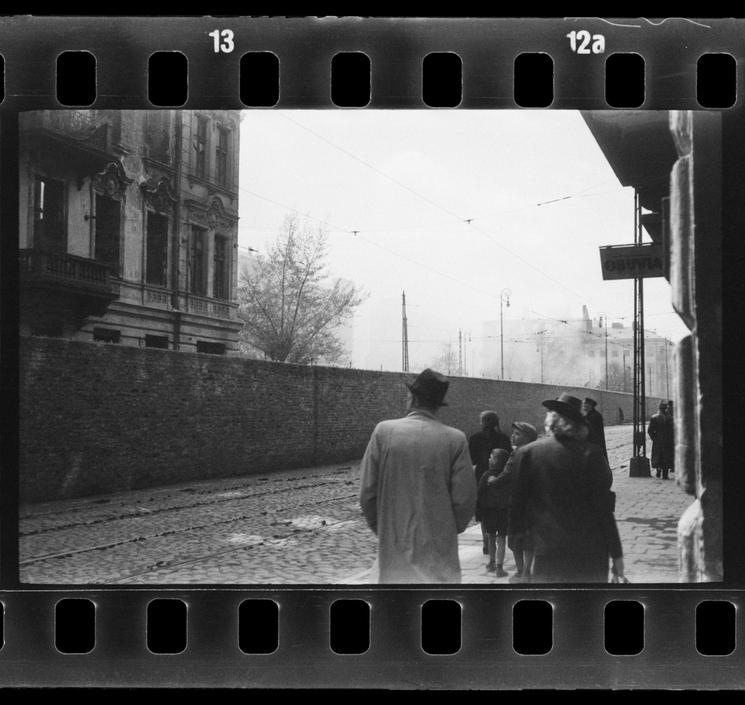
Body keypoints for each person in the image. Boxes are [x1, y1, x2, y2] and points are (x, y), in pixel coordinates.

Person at [359, 368, 477, 583]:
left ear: (412, 398)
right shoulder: (455, 439)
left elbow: (367, 493)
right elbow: (465, 500)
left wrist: (385, 530)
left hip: (392, 562)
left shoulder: (383, 432)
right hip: (438, 562)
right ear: (438, 404)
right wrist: (445, 530)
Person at [508, 392, 625, 583]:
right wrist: (617, 555)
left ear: (551, 421)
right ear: (579, 425)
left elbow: (516, 504)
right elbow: (604, 510)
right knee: (591, 610)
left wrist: (517, 547)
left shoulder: (528, 453)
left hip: (549, 552)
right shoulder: (592, 455)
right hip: (591, 553)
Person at [468, 410, 511, 554]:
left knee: (483, 506)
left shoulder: (475, 438)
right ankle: (499, 539)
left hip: (482, 476)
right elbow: (508, 457)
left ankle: (486, 541)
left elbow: (472, 460)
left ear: (483, 422)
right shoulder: (504, 438)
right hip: (501, 477)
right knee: (499, 506)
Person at [477, 448, 511, 576]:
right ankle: (499, 567)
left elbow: (479, 493)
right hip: (502, 511)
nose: (490, 459)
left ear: (501, 461)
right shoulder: (506, 476)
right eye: (490, 457)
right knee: (501, 538)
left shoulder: (486, 475)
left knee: (491, 537)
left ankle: (492, 562)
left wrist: (479, 511)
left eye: (493, 457)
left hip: (489, 511)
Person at [648, 401, 674, 479]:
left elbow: (650, 430)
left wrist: (654, 438)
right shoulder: (670, 418)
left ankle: (658, 471)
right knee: (666, 457)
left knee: (657, 456)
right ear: (666, 408)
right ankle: (665, 474)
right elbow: (673, 430)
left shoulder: (654, 417)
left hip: (657, 441)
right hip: (667, 441)